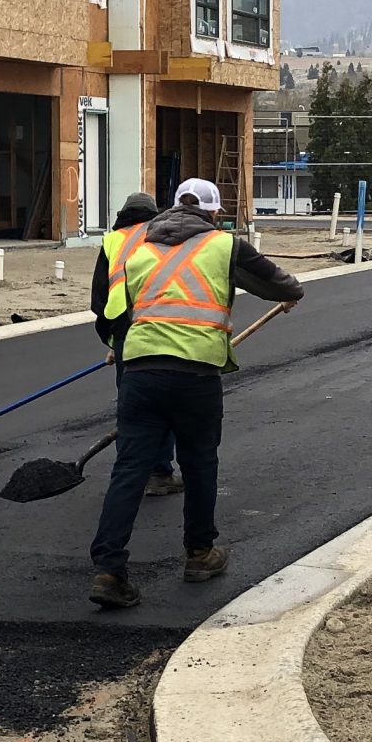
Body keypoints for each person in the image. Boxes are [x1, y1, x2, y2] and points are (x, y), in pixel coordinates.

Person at [88, 177, 304, 610]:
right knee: (200, 463)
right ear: (212, 212)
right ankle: (200, 554)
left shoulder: (138, 247)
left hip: (140, 370)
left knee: (129, 470)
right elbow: (285, 287)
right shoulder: (224, 246)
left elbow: (120, 309)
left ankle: (110, 571)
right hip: (196, 375)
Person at [92, 191, 180, 496]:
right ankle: (159, 473)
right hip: (161, 328)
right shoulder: (166, 236)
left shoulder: (112, 241)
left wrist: (114, 342)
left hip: (125, 332)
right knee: (164, 403)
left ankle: (130, 475)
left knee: (132, 407)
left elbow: (101, 298)